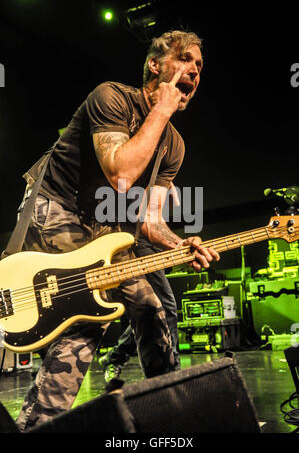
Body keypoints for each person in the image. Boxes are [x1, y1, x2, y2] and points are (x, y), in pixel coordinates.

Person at [7, 29, 219, 431]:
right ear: (155, 66)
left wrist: (181, 242)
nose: (195, 70)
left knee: (151, 306)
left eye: (199, 66)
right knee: (91, 303)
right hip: (54, 205)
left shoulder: (173, 145)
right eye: (186, 59)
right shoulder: (111, 97)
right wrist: (162, 110)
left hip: (99, 227)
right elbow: (121, 174)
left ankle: (173, 416)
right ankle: (36, 425)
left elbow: (149, 221)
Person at [98, 235, 181, 383]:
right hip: (138, 244)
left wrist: (175, 243)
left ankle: (115, 356)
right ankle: (173, 371)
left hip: (151, 246)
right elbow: (147, 222)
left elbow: (155, 219)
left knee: (151, 311)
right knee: (164, 308)